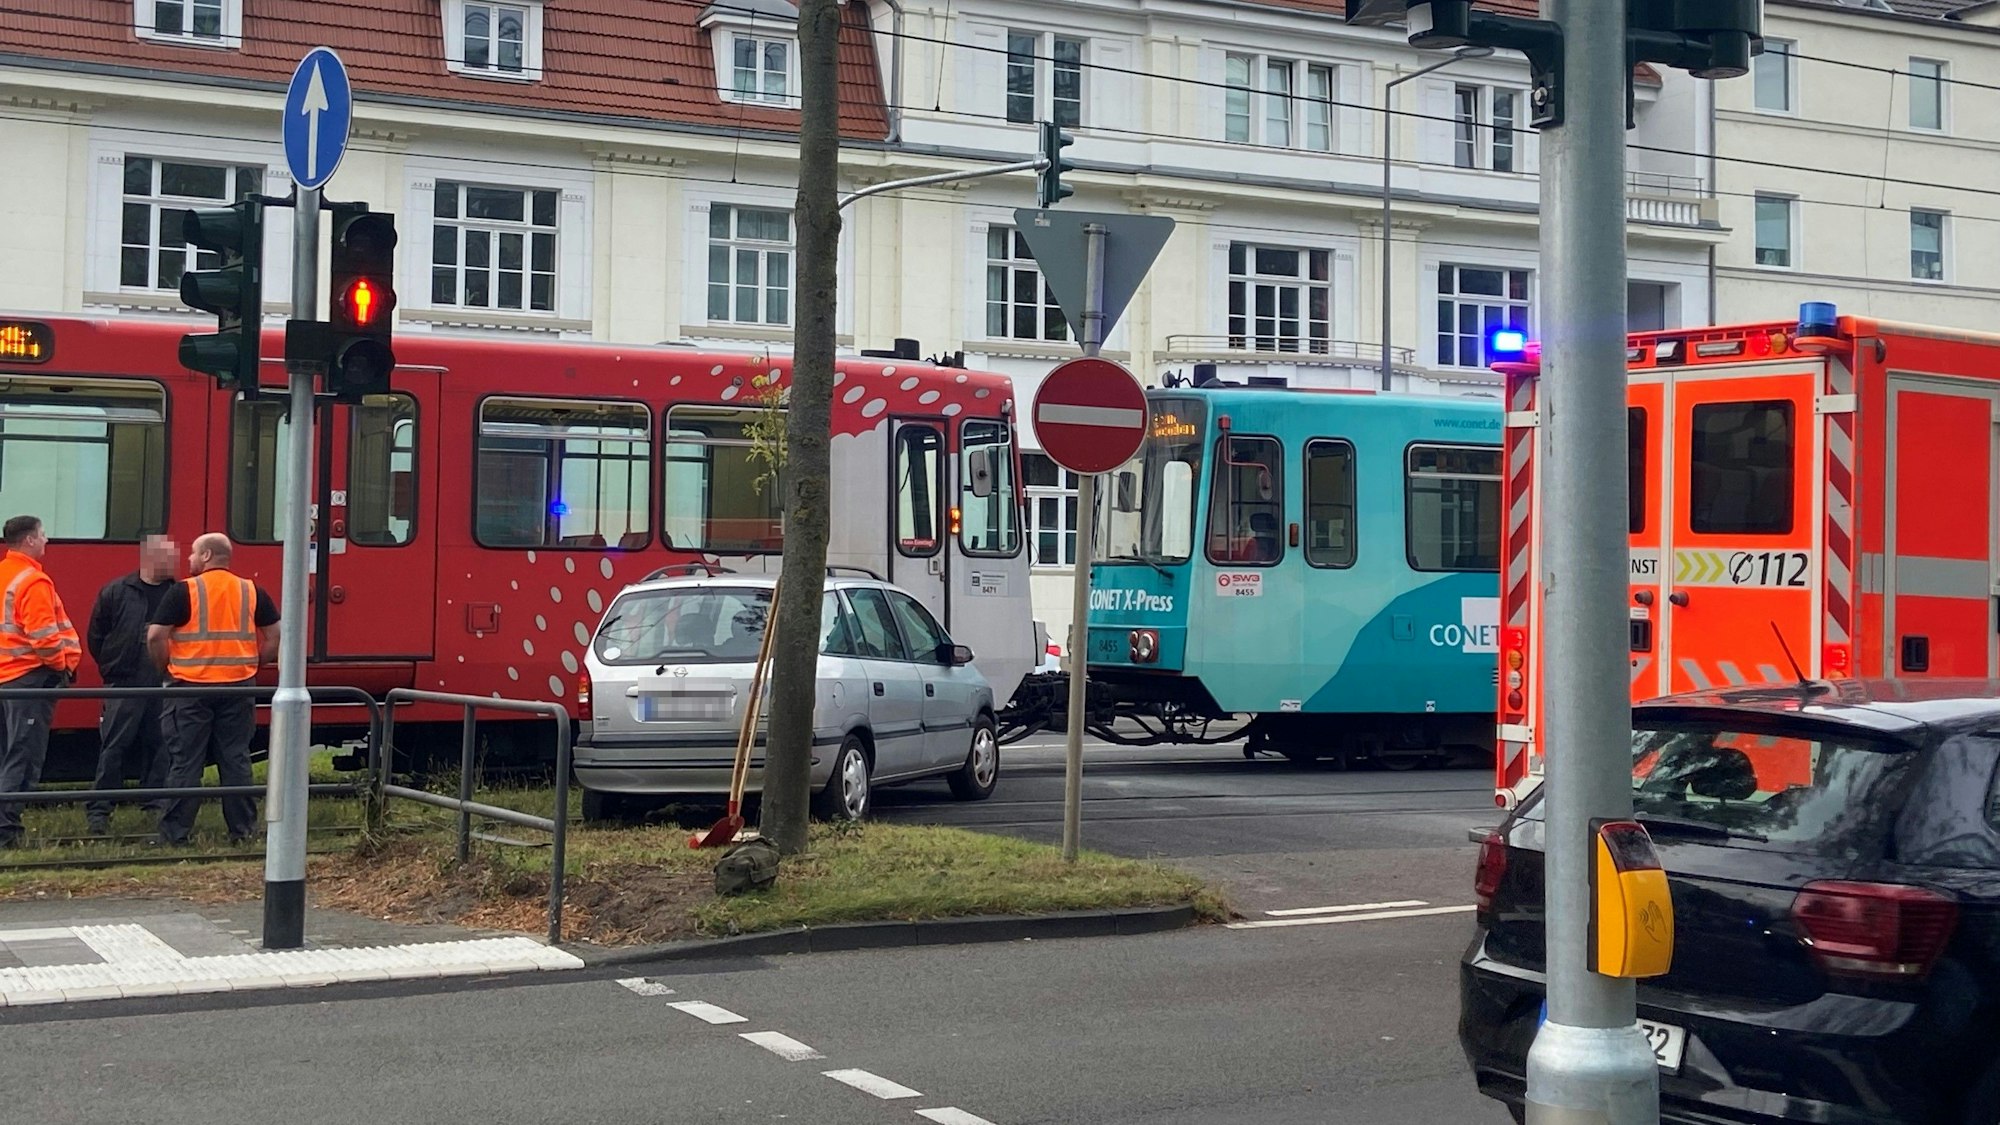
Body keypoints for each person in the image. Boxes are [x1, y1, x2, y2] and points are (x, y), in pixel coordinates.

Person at [149, 533, 278, 845]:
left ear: (206, 555)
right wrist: (252, 666)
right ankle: (243, 833)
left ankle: (175, 835)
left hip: (190, 689)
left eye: (193, 553)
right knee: (236, 760)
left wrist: (164, 669)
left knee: (186, 762)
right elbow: (274, 636)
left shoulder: (184, 591)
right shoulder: (251, 590)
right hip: (238, 688)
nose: (189, 560)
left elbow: (155, 637)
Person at [83, 535, 179, 836]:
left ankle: (155, 805)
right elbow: (96, 635)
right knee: (114, 747)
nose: (173, 559)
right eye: (167, 554)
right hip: (125, 680)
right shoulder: (116, 591)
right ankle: (100, 810)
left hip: (165, 679)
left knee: (162, 745)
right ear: (149, 557)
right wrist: (114, 666)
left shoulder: (178, 593)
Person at [0, 516, 81, 849]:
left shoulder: (5, 574)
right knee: (22, 755)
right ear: (30, 540)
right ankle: (6, 831)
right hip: (29, 679)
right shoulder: (33, 581)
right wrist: (62, 665)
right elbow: (45, 637)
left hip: (6, 678)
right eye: (44, 535)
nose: (47, 541)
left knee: (6, 753)